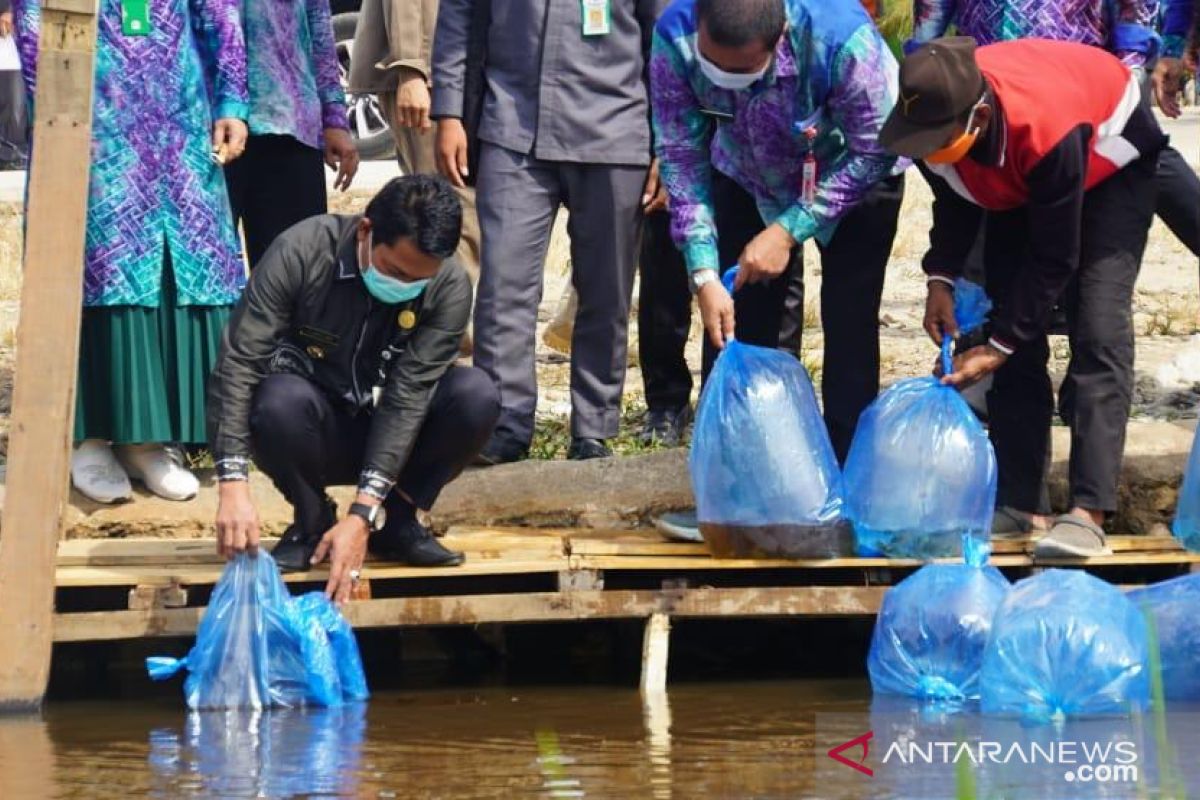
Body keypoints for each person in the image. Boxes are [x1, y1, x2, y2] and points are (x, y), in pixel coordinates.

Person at [882, 37, 1165, 556]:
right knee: (1004, 322)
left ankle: (1088, 509)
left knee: (1097, 325)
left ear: (980, 118)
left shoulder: (1045, 130)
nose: (926, 153)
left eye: (936, 142)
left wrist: (1000, 345)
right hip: (1025, 169)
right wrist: (940, 279)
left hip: (1108, 154)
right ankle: (1021, 500)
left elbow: (1057, 257)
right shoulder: (933, 127)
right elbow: (956, 196)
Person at [208, 176, 499, 595]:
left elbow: (408, 396)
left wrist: (364, 512)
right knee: (276, 401)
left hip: (396, 434)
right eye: (396, 272)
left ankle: (396, 521)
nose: (403, 288)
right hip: (313, 428)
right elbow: (238, 362)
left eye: (418, 280)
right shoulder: (302, 252)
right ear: (366, 231)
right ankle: (311, 522)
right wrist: (232, 486)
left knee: (476, 396)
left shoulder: (449, 286)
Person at [15, 0, 249, 504]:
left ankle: (147, 442)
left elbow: (219, 12)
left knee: (180, 262)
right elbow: (35, 22)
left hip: (181, 123)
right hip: (91, 126)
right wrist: (57, 111)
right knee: (101, 263)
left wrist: (231, 101)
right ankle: (85, 439)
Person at [650, 0, 904, 464]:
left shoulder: (840, 38)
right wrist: (704, 273)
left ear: (778, 37)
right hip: (746, 172)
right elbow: (680, 153)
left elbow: (877, 149)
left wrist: (787, 231)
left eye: (742, 70)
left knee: (849, 323)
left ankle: (846, 474)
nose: (723, 78)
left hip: (848, 172)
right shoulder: (676, 32)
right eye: (712, 66)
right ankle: (747, 473)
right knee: (736, 323)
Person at [432, 0, 666, 464]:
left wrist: (665, 140)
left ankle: (594, 426)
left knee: (606, 290)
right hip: (513, 126)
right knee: (504, 289)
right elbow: (459, 14)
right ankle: (504, 422)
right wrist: (449, 111)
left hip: (615, 131)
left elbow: (662, 36)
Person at [909, 0, 1200, 258]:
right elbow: (932, 12)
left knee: (1142, 156)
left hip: (1081, 80)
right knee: (1010, 199)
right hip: (991, 88)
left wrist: (1133, 66)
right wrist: (921, 72)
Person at [348, 0, 482, 279]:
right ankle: (452, 318)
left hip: (460, 70)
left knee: (468, 213)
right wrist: (410, 69)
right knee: (452, 212)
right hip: (428, 75)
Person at [226, 0, 359, 268]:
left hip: (289, 122)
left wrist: (334, 118)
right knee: (211, 275)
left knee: (295, 271)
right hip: (205, 129)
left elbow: (320, 32)